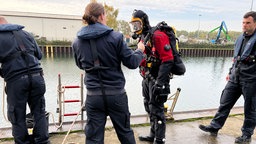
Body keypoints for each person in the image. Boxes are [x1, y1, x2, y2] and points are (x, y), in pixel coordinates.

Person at [72, 2, 145, 144]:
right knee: (125, 133)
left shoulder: (77, 42)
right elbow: (132, 63)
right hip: (116, 95)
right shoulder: (116, 37)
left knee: (93, 138)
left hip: (93, 97)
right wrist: (140, 50)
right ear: (102, 15)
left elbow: (80, 65)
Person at [199, 11, 256, 143]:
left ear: (255, 23)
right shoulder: (240, 38)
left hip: (251, 80)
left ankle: (246, 135)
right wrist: (230, 72)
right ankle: (214, 127)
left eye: (248, 23)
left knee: (250, 109)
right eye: (243, 22)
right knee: (224, 102)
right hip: (235, 77)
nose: (244, 25)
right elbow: (236, 59)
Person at [0, 16, 50, 143]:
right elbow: (39, 55)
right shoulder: (26, 34)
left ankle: (23, 142)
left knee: (17, 115)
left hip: (16, 81)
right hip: (37, 77)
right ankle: (42, 141)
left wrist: (3, 73)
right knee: (39, 112)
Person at [130, 10, 174, 144]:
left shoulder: (158, 36)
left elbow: (168, 60)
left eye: (137, 24)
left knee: (157, 110)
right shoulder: (143, 37)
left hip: (158, 79)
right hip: (147, 77)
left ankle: (160, 140)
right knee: (148, 106)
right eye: (133, 25)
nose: (135, 28)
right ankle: (152, 134)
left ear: (144, 22)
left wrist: (160, 83)